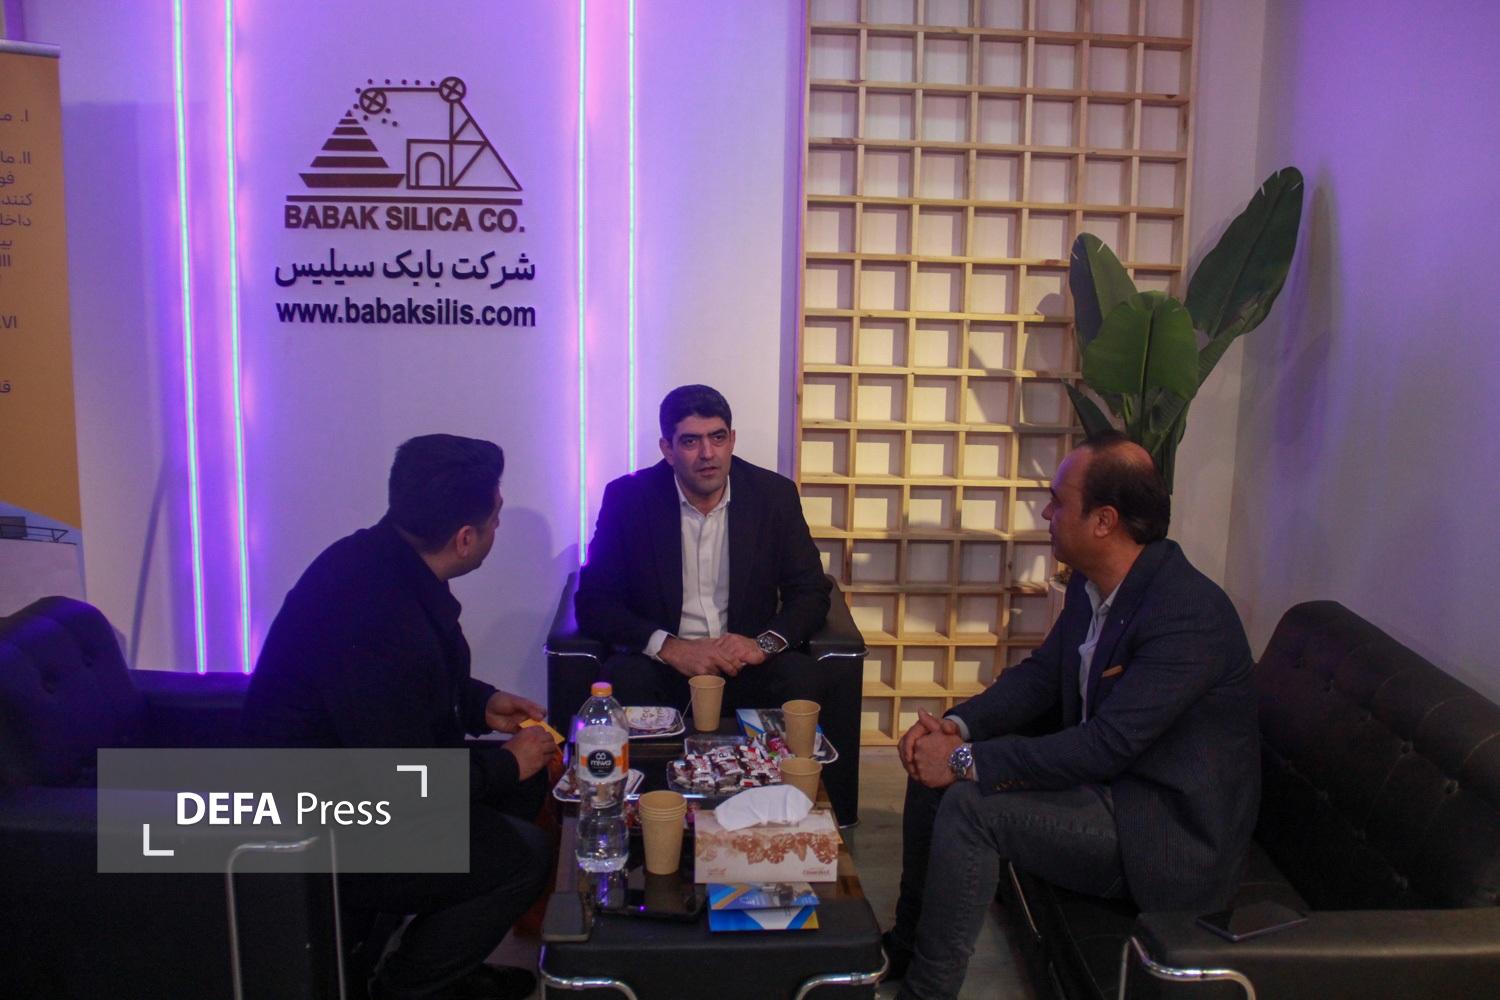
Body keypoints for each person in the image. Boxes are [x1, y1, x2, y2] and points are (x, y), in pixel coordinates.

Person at [885, 431, 1261, 1000]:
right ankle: (904, 947)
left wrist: (963, 760)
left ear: (1104, 521)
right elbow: (1041, 677)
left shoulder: (1187, 613)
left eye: (1059, 501)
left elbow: (1105, 746)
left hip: (1161, 830)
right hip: (1108, 789)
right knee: (930, 769)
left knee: (970, 806)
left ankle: (926, 994)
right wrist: (955, 728)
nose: (1046, 513)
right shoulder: (1094, 583)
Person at [243, 434, 558, 1000]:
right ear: (465, 538)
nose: (497, 527)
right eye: (495, 518)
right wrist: (507, 764)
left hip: (365, 776)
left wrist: (479, 702)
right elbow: (401, 781)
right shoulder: (374, 615)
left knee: (522, 787)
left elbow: (411, 690)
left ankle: (446, 960)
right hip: (321, 817)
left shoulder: (382, 559)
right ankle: (409, 988)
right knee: (522, 857)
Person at [574, 383, 832, 721]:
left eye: (718, 437)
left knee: (801, 676)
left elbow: (811, 592)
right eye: (691, 441)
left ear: (732, 440)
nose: (708, 453)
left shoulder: (773, 496)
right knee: (624, 678)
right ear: (668, 449)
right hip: (666, 665)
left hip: (746, 662)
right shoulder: (629, 500)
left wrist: (761, 645)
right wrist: (670, 648)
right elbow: (594, 601)